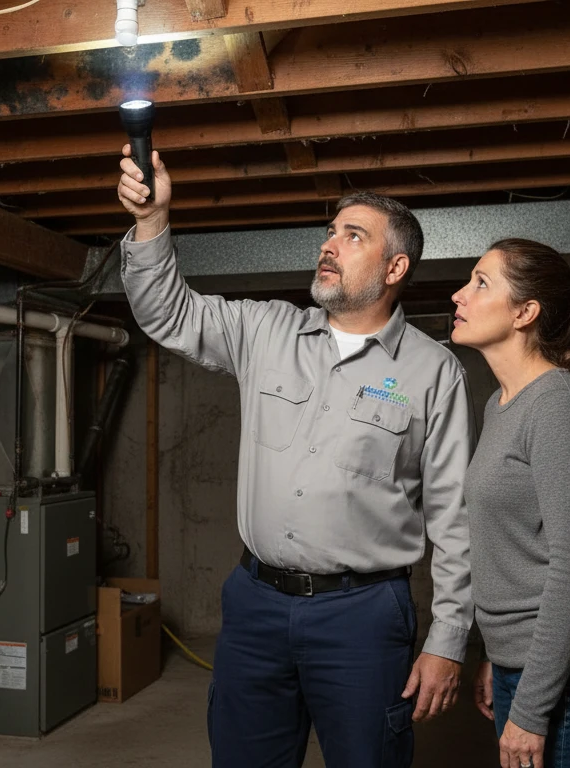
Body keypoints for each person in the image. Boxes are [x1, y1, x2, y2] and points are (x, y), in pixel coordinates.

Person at [116, 145, 474, 768]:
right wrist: (152, 222)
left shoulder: (433, 371)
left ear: (395, 268)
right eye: (330, 231)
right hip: (256, 605)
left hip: (362, 616)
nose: (329, 245)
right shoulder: (266, 330)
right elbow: (166, 313)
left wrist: (447, 641)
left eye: (352, 236)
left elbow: (455, 518)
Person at [449, 238, 570, 768]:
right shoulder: (501, 402)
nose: (460, 295)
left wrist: (530, 709)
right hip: (524, 664)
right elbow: (510, 548)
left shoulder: (556, 406)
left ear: (525, 312)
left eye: (481, 282)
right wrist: (495, 657)